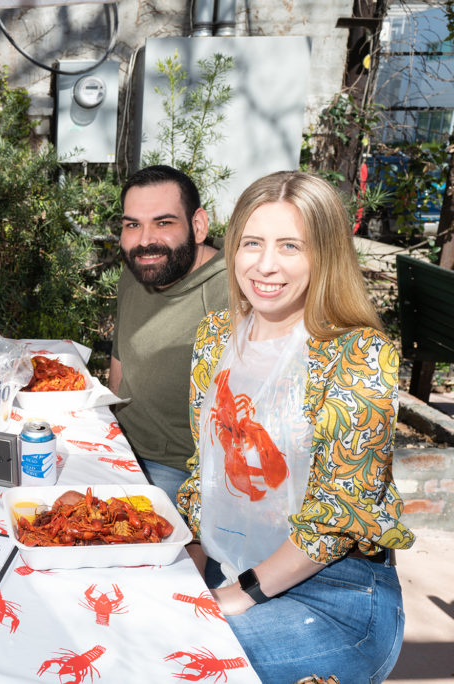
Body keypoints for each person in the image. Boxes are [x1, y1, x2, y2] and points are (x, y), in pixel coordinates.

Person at [178, 171, 415, 683]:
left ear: (324, 255)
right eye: (252, 243)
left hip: (334, 594)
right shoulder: (215, 337)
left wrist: (239, 593)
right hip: (230, 563)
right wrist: (186, 568)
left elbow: (340, 511)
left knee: (182, 663)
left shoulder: (360, 354)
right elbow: (205, 468)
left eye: (290, 246)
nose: (266, 265)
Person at [107, 165, 229, 498]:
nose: (144, 240)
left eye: (163, 223)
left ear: (198, 225)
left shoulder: (233, 294)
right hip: (117, 449)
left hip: (184, 473)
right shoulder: (137, 273)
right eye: (133, 225)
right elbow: (119, 370)